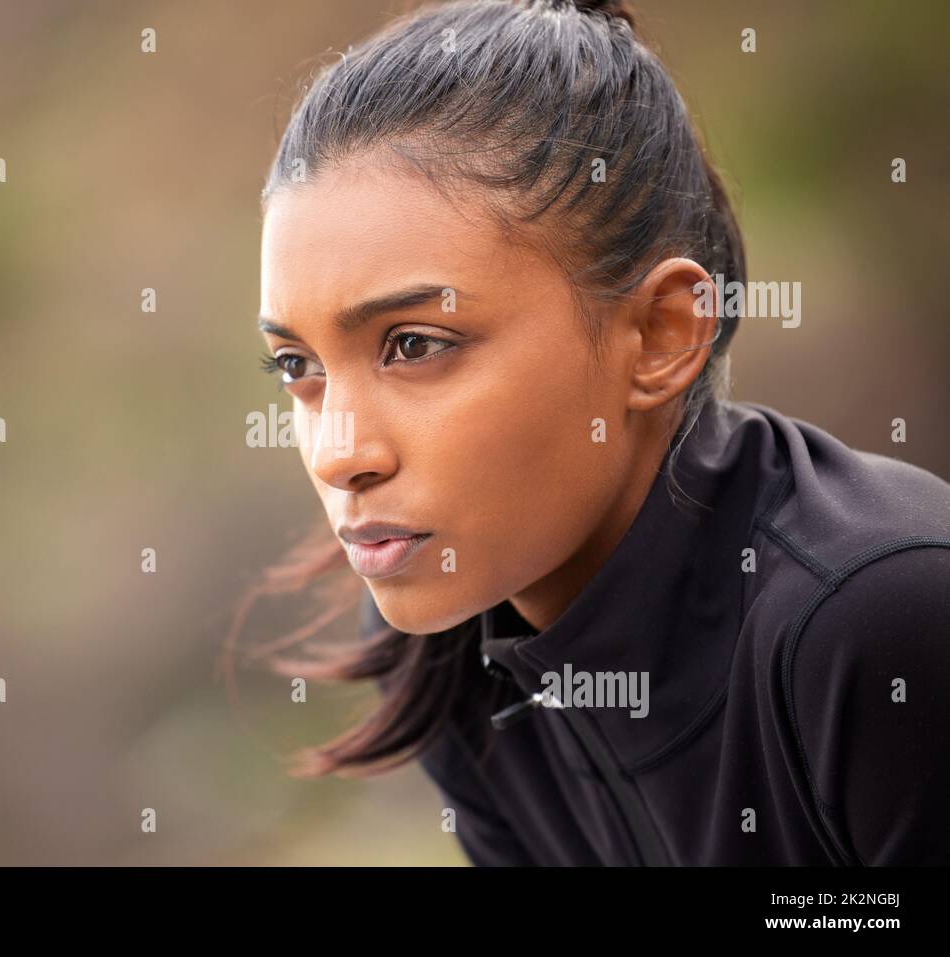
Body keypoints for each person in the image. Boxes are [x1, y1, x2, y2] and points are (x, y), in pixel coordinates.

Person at [239, 0, 950, 864]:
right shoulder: (445, 655)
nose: (338, 453)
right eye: (297, 366)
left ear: (660, 336)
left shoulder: (880, 618)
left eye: (415, 344)